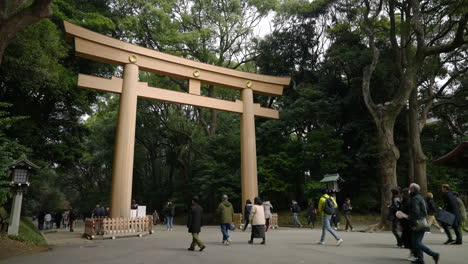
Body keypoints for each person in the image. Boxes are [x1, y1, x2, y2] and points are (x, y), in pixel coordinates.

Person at [407, 183, 440, 264]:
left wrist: (414, 224)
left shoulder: (415, 198)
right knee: (416, 242)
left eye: (410, 189)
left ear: (413, 189)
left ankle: (434, 254)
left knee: (416, 242)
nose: (409, 190)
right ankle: (420, 259)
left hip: (418, 222)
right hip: (422, 221)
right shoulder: (420, 197)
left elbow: (416, 211)